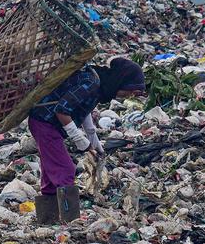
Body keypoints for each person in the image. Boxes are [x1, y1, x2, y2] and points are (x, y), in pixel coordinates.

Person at [27, 56, 146, 224]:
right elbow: (62, 110)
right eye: (130, 90)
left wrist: (94, 140)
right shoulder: (91, 82)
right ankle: (71, 221)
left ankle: (47, 220)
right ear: (121, 80)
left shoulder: (100, 85)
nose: (129, 95)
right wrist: (81, 142)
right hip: (44, 123)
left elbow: (84, 109)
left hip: (46, 124)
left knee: (50, 171)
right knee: (66, 170)